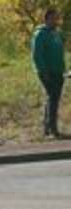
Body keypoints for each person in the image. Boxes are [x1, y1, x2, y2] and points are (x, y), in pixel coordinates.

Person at [32, 8, 66, 138]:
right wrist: (43, 71)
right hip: (47, 72)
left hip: (58, 72)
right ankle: (52, 129)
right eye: (53, 18)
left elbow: (59, 53)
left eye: (57, 18)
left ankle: (48, 128)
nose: (56, 21)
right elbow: (36, 55)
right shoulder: (40, 34)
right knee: (52, 98)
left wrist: (64, 70)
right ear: (46, 19)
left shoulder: (56, 34)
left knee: (53, 99)